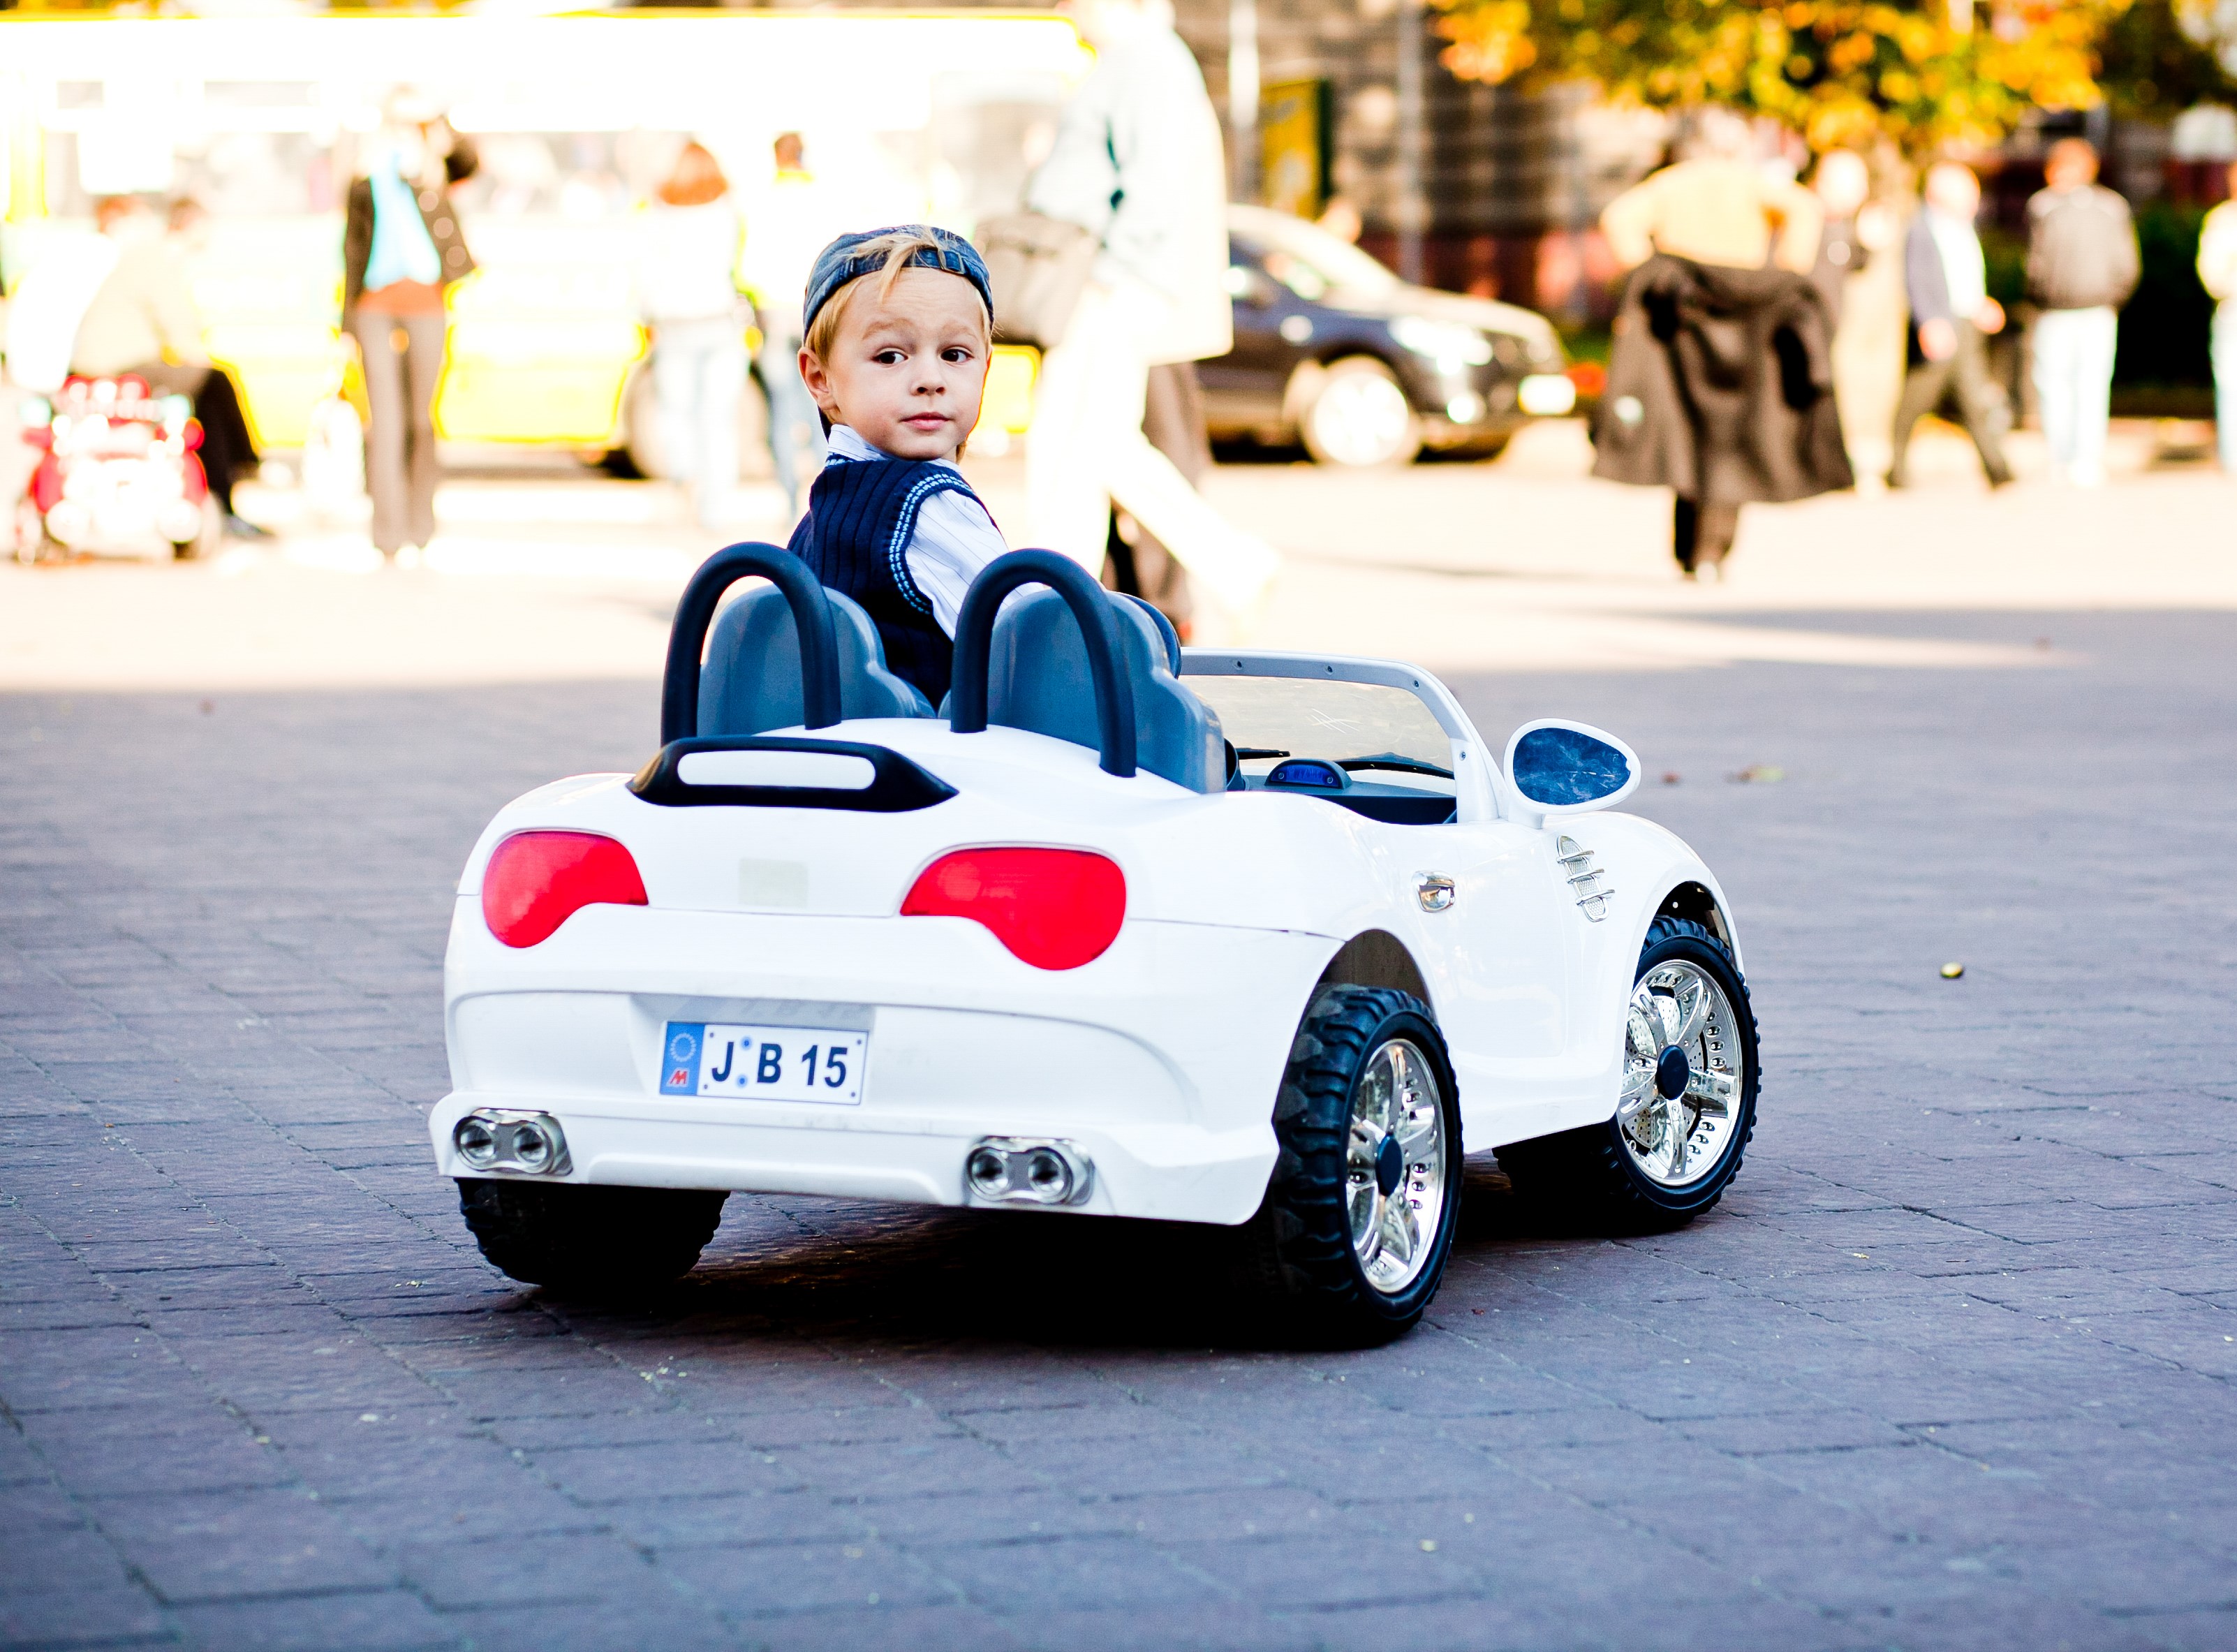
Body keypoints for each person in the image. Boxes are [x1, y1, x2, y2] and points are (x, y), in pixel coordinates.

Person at [1022, 0, 1278, 630]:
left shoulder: (1146, 62)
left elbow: (1155, 183)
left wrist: (1112, 276)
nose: (1065, 7)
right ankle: (1230, 566)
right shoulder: (1139, 61)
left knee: (1069, 441)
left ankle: (1062, 600)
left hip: (1110, 280)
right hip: (1111, 276)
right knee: (1094, 442)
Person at [1597, 111, 1834, 578]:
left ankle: (1689, 550)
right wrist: (1786, 273)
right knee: (1733, 435)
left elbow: (1618, 219)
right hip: (1743, 316)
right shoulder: (1751, 184)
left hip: (1685, 315)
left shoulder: (1672, 183)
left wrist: (1649, 275)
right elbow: (1806, 209)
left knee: (1687, 432)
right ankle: (1713, 552)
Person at [789, 227, 1008, 705]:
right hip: (936, 765)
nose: (930, 379)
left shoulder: (822, 513)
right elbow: (1030, 638)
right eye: (890, 356)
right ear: (820, 378)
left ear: (984, 371)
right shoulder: (932, 505)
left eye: (955, 355)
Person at [69, 195, 267, 537]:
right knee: (215, 381)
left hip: (112, 363)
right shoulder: (156, 260)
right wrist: (200, 363)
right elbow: (182, 333)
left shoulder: (152, 259)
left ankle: (228, 485)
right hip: (114, 368)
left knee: (205, 392)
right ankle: (244, 468)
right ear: (190, 227)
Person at [342, 91, 477, 560]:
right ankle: (387, 536)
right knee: (385, 423)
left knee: (420, 418)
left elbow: (468, 160)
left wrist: (435, 123)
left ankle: (422, 527)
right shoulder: (364, 178)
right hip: (375, 306)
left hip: (426, 303)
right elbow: (353, 250)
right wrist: (346, 327)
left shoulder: (432, 171)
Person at [637, 142, 747, 531]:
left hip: (674, 323)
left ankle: (685, 480)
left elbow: (645, 272)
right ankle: (714, 506)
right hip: (720, 319)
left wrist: (646, 315)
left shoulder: (657, 213)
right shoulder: (727, 211)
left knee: (676, 411)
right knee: (717, 417)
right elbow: (741, 264)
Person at [1889, 162, 2013, 489]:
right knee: (1917, 399)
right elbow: (1917, 279)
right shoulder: (1922, 228)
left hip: (1966, 323)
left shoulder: (1964, 227)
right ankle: (1896, 468)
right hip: (1941, 324)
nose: (1975, 199)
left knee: (1974, 398)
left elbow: (1963, 276)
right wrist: (1929, 321)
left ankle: (1997, 469)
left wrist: (1981, 304)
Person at [2025, 138, 2138, 488]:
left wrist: (2041, 291)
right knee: (2083, 385)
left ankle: (2070, 458)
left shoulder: (2046, 206)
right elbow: (2127, 264)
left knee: (2065, 385)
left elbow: (2035, 263)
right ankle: (2080, 460)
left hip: (2068, 309)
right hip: (2087, 308)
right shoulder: (2110, 206)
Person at [739, 133, 839, 518]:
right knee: (826, 403)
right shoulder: (824, 199)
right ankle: (827, 494)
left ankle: (789, 499)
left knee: (782, 407)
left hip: (774, 314)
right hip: (815, 312)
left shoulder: (760, 201)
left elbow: (746, 267)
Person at [2197, 161, 2237, 475]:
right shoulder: (2223, 220)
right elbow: (2212, 273)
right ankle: (2233, 455)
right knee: (2231, 383)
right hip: (2232, 308)